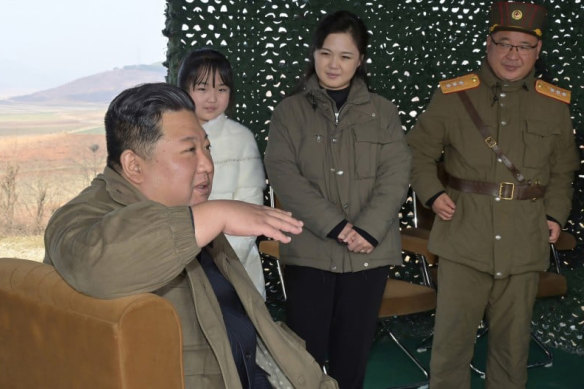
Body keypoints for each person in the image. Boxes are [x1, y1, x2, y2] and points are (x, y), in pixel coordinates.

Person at [44, 83, 337, 389]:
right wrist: (215, 214)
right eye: (189, 151)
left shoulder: (187, 210)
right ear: (134, 165)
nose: (208, 165)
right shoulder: (79, 218)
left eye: (207, 148)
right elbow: (97, 265)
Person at [407, 2, 579, 388]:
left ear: (537, 51)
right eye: (504, 43)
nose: (512, 54)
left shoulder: (554, 105)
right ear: (488, 44)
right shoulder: (453, 96)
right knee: (451, 347)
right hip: (463, 236)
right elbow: (416, 153)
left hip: (523, 238)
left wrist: (555, 215)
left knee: (512, 348)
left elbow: (563, 170)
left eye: (523, 46)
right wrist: (432, 194)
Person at [264, 10, 411, 389]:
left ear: (360, 60)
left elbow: (396, 175)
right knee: (305, 353)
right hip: (310, 247)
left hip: (369, 251)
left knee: (353, 354)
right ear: (313, 54)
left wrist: (367, 229)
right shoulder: (289, 111)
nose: (334, 64)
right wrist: (336, 225)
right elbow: (283, 175)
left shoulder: (384, 112)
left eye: (346, 56)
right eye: (326, 53)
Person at [177, 48, 267, 298]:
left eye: (222, 89)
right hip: (176, 264)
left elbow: (251, 209)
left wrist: (219, 265)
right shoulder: (167, 137)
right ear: (184, 89)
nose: (212, 98)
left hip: (232, 268)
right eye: (202, 88)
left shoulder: (242, 139)